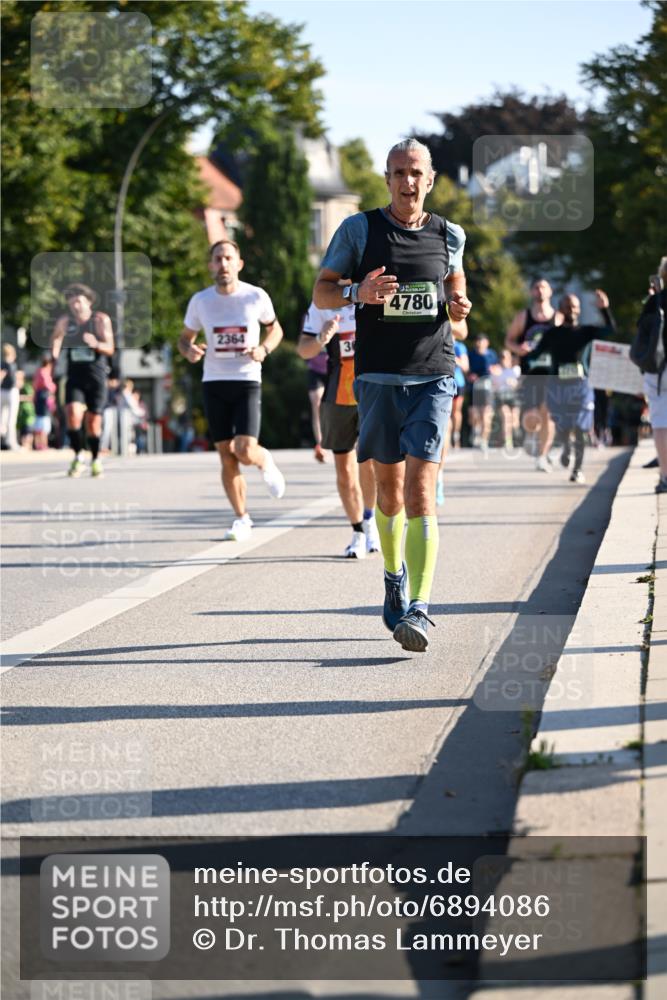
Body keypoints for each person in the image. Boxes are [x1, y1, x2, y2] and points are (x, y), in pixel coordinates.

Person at [313, 138, 471, 652]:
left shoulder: (450, 235)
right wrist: (358, 292)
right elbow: (322, 291)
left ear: (431, 180)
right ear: (387, 179)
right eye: (399, 173)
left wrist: (459, 310)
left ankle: (420, 607)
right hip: (378, 376)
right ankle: (393, 574)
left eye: (416, 173)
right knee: (388, 492)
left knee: (421, 491)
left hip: (433, 374)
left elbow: (458, 309)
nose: (408, 182)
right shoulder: (359, 230)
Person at [179, 239, 286, 540]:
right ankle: (242, 518)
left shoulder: (255, 296)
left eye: (228, 258)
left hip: (247, 379)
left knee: (244, 450)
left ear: (239, 264)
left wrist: (264, 349)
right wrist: (189, 351)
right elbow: (184, 339)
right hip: (213, 382)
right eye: (217, 259)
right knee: (226, 456)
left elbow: (275, 329)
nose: (223, 264)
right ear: (210, 265)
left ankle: (264, 460)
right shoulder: (201, 301)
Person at [297, 299, 380, 559]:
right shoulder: (323, 302)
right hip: (338, 397)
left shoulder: (374, 293)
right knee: (345, 471)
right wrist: (321, 338)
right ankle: (357, 531)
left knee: (369, 462)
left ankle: (370, 518)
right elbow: (304, 350)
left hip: (373, 393)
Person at [524, 289, 615, 484]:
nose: (571, 310)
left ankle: (577, 469)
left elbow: (609, 330)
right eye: (567, 307)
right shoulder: (552, 334)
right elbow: (534, 355)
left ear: (579, 310)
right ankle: (565, 446)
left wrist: (604, 309)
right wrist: (523, 354)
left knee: (580, 427)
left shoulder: (586, 331)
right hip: (557, 386)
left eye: (574, 307)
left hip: (581, 385)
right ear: (561, 310)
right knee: (563, 427)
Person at [50, 283, 115, 477]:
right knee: (72, 413)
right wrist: (54, 354)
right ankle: (78, 455)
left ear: (89, 302)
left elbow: (110, 348)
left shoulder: (100, 320)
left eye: (78, 301)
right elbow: (56, 338)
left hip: (96, 376)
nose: (75, 306)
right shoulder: (65, 321)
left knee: (93, 422)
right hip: (74, 375)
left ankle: (95, 459)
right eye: (72, 302)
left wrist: (96, 344)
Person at [506, 278, 562, 471]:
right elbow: (509, 340)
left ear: (550, 291)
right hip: (529, 375)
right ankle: (533, 436)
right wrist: (518, 349)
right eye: (536, 287)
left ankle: (542, 456)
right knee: (531, 417)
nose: (540, 290)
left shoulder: (558, 318)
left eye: (543, 287)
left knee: (548, 414)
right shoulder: (523, 317)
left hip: (552, 374)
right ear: (531, 292)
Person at [638, 257, 667, 492]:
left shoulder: (655, 301)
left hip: (658, 370)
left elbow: (642, 333)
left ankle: (665, 476)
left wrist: (653, 298)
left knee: (660, 423)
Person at [436, 318, 468, 506]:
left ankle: (438, 476)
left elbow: (463, 331)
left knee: (446, 423)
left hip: (452, 381)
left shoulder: (460, 346)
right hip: (421, 372)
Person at [466, 333, 499, 454]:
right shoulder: (471, 354)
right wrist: (470, 375)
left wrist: (494, 371)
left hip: (487, 387)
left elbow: (497, 369)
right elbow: (466, 370)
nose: (480, 343)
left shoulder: (492, 354)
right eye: (478, 341)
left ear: (487, 343)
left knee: (486, 415)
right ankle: (476, 430)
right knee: (474, 415)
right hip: (474, 387)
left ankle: (484, 441)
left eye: (482, 341)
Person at [492, 349, 521, 450]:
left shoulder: (515, 369)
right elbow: (494, 385)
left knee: (515, 421)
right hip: (501, 397)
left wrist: (514, 383)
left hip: (513, 397)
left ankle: (515, 438)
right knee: (506, 417)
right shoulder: (496, 370)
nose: (504, 360)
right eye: (502, 357)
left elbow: (519, 384)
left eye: (507, 357)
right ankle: (508, 441)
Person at [304, 346, 329, 463]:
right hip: (315, 370)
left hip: (335, 369)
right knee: (317, 404)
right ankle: (321, 445)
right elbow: (303, 346)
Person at [32, 354, 57, 450]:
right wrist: (53, 387)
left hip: (39, 396)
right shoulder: (44, 372)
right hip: (43, 396)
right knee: (44, 420)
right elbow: (48, 385)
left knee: (39, 419)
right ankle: (43, 444)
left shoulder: (38, 371)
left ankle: (38, 444)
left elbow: (35, 384)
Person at [1, 343, 20, 450]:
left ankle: (5, 441)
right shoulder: (12, 365)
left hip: (2, 391)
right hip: (11, 392)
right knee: (11, 419)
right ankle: (11, 442)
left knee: (2, 419)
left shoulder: (2, 364)